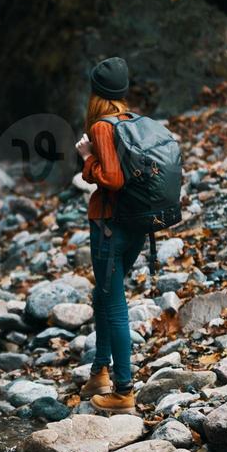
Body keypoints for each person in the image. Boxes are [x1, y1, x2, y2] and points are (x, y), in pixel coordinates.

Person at [75, 56, 147, 412]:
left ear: (96, 93)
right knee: (103, 295)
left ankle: (123, 390)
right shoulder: (134, 121)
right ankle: (100, 372)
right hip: (135, 225)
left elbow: (113, 179)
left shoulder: (103, 127)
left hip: (109, 226)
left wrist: (87, 158)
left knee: (114, 304)